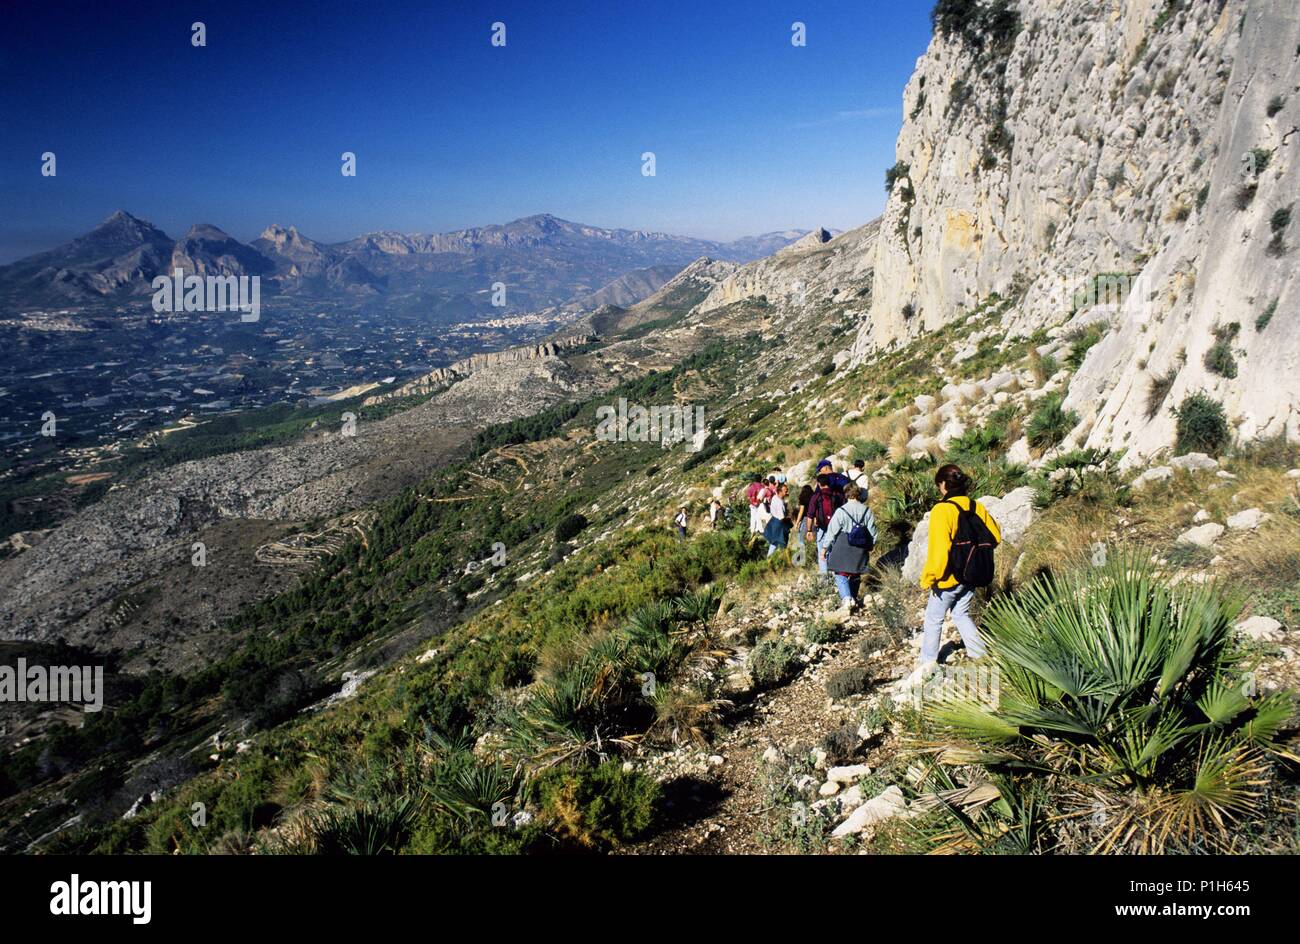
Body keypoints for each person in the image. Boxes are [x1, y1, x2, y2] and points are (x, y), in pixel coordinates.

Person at [918, 464, 1001, 667]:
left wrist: (929, 578)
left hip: (949, 577)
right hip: (972, 573)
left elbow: (939, 550)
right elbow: (995, 537)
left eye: (940, 486)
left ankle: (927, 664)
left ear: (944, 485)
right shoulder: (975, 506)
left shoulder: (942, 510)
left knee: (933, 619)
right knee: (960, 613)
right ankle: (979, 655)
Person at [819, 483, 878, 610]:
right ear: (858, 494)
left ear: (846, 495)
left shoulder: (841, 511)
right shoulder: (867, 510)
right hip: (861, 545)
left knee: (840, 573)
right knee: (856, 573)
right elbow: (873, 532)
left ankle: (846, 598)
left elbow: (831, 531)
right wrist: (871, 545)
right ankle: (854, 598)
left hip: (843, 544)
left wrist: (824, 549)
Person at [806, 472, 846, 573]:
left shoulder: (816, 496)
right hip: (836, 528)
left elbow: (810, 515)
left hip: (822, 528)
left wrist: (809, 530)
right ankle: (835, 574)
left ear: (819, 484)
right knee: (834, 551)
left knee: (822, 552)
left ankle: (824, 579)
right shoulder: (837, 495)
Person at [762, 482, 791, 557]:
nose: (787, 492)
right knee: (781, 543)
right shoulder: (779, 502)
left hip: (773, 521)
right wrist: (789, 519)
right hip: (779, 524)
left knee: (774, 542)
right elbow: (782, 517)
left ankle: (770, 559)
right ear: (780, 491)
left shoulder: (775, 497)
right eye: (785, 491)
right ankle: (782, 559)